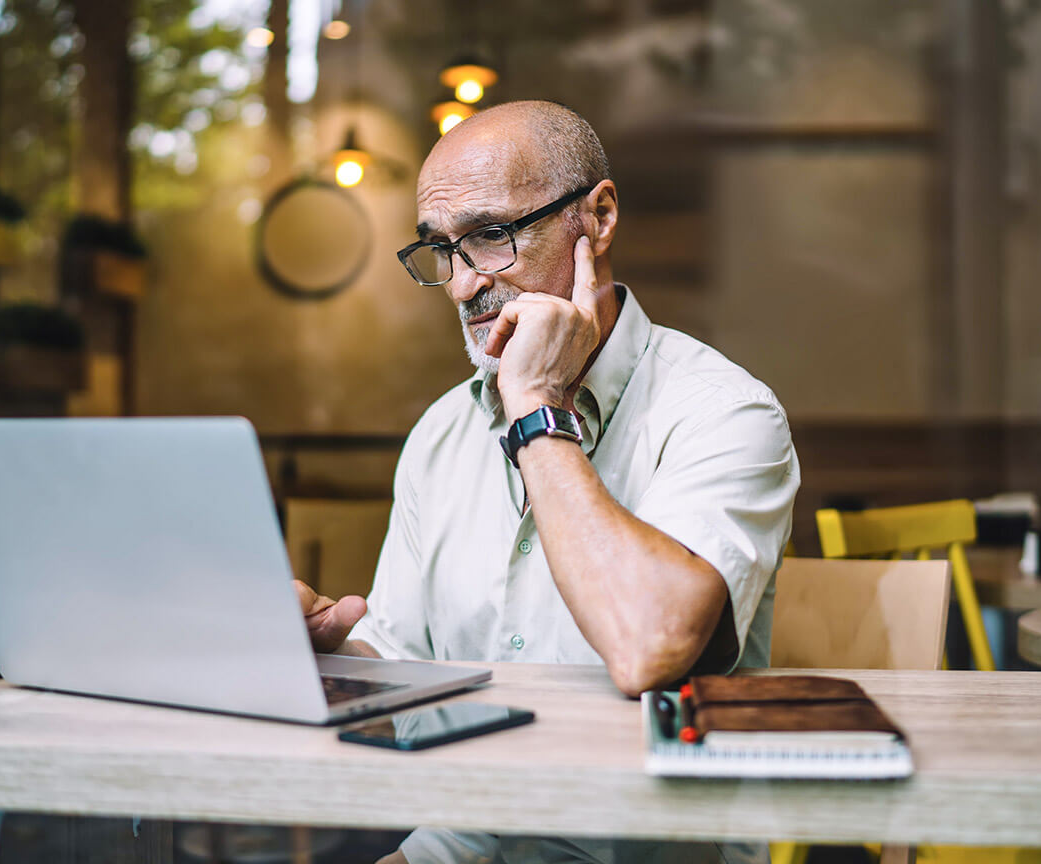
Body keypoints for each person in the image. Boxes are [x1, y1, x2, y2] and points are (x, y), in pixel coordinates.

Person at [295, 101, 799, 864]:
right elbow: (403, 672)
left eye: (491, 237)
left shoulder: (724, 411)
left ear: (596, 219)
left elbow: (649, 646)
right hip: (459, 844)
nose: (463, 287)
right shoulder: (442, 432)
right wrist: (320, 660)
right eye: (441, 250)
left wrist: (535, 408)